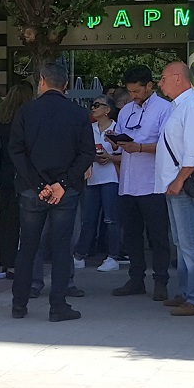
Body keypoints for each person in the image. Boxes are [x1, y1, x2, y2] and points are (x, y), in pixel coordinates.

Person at [8, 63, 95, 322]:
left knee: (28, 247)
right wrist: (62, 183)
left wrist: (38, 184)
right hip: (64, 191)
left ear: (42, 81)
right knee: (61, 249)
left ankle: (19, 304)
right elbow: (87, 153)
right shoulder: (78, 113)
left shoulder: (26, 111)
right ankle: (58, 305)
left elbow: (16, 151)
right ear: (65, 85)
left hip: (31, 189)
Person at [109, 65, 173, 301]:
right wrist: (115, 141)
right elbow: (120, 138)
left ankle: (161, 280)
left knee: (157, 236)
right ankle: (136, 279)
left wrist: (141, 147)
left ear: (149, 86)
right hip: (128, 182)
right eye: (130, 91)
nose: (133, 95)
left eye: (137, 91)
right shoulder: (126, 110)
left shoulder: (164, 109)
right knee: (131, 235)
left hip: (153, 182)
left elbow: (169, 145)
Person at [156, 61, 194, 316]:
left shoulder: (191, 106)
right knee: (182, 241)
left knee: (190, 242)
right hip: (175, 183)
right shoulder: (180, 106)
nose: (160, 83)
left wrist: (179, 180)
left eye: (163, 78)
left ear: (178, 78)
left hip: (183, 183)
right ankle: (187, 292)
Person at [74, 95, 123, 272]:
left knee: (111, 219)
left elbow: (126, 154)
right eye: (92, 105)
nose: (93, 108)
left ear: (107, 110)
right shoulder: (89, 128)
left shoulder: (117, 128)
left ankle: (113, 256)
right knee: (89, 218)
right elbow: (82, 151)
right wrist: (93, 157)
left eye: (97, 105)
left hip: (112, 178)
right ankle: (80, 254)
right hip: (92, 178)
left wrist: (110, 157)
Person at [0, 82, 35, 279]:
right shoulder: (26, 122)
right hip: (23, 173)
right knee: (23, 219)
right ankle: (20, 261)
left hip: (4, 173)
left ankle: (6, 261)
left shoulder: (1, 121)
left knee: (6, 218)